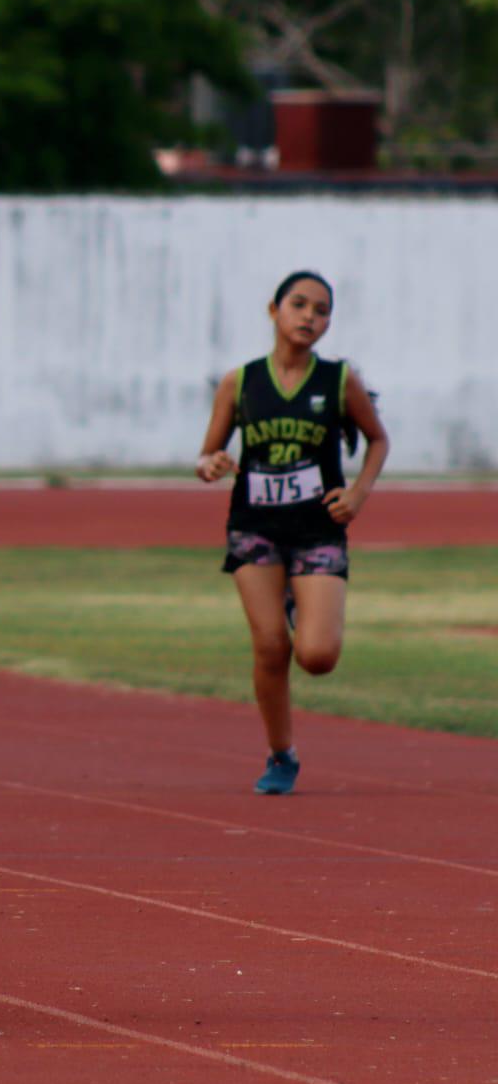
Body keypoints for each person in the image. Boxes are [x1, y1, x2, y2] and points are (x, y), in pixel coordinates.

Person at [196, 271, 388, 794]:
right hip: (255, 528)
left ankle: (298, 603)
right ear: (274, 310)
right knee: (270, 648)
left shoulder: (338, 379)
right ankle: (281, 754)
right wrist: (212, 463)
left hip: (317, 530)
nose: (309, 317)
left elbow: (376, 440)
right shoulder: (240, 382)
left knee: (317, 656)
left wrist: (358, 495)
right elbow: (208, 452)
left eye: (321, 310)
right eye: (298, 304)